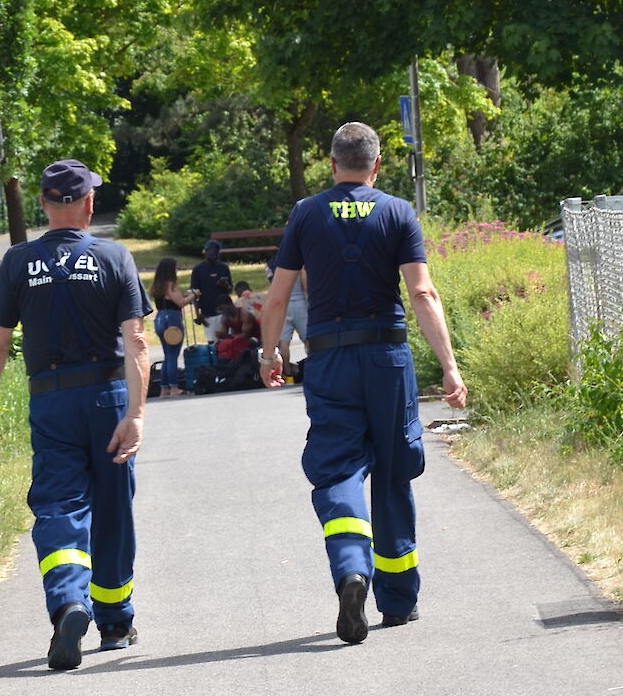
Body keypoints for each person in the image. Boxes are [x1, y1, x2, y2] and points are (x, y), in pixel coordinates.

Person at [260, 121, 467, 646]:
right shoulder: (397, 211)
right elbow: (422, 294)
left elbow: (279, 297)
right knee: (395, 470)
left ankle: (352, 568)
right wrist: (449, 366)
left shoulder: (306, 213)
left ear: (332, 164)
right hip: (387, 358)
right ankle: (398, 601)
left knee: (338, 468)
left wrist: (269, 354)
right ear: (376, 166)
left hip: (329, 359)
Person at [0, 160, 151, 671]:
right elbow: (136, 342)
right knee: (113, 506)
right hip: (107, 396)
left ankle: (69, 604)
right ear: (89, 204)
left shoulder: (17, 262)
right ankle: (115, 621)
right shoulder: (114, 257)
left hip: (51, 399)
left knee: (59, 506)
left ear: (44, 205)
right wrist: (136, 414)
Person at [151, 258, 195, 398]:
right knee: (173, 355)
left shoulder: (157, 286)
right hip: (172, 319)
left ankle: (164, 389)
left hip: (159, 318)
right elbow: (180, 302)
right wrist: (194, 295)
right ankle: (174, 388)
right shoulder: (170, 286)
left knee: (167, 355)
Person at [190, 240, 232, 339]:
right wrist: (198, 314)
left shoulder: (224, 268)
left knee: (225, 341)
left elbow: (230, 290)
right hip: (207, 312)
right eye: (210, 251)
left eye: (215, 251)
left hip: (223, 311)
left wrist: (225, 285)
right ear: (205, 251)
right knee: (212, 342)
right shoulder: (198, 270)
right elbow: (194, 293)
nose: (213, 253)